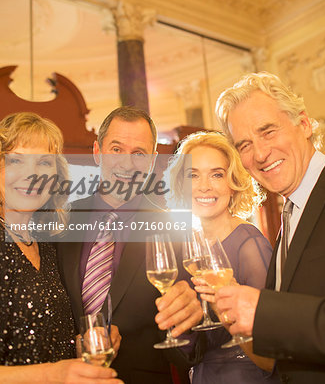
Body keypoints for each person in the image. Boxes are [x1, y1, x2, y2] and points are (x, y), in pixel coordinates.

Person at [56, 106, 203, 384]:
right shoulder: (61, 221)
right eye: (116, 149)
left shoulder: (174, 229)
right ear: (98, 152)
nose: (126, 164)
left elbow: (186, 345)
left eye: (139, 153)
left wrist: (187, 322)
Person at [214, 71, 325, 383]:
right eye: (244, 144)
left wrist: (265, 312)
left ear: (304, 124)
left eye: (267, 132)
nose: (259, 154)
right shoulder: (290, 215)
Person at [0, 112, 123, 383]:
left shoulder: (48, 244)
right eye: (17, 160)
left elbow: (44, 339)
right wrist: (51, 374)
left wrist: (79, 345)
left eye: (44, 162)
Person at [165, 130, 278, 383]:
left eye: (217, 174)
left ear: (233, 182)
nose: (204, 186)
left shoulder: (249, 243)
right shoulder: (187, 246)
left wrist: (225, 306)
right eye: (193, 175)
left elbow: (271, 341)